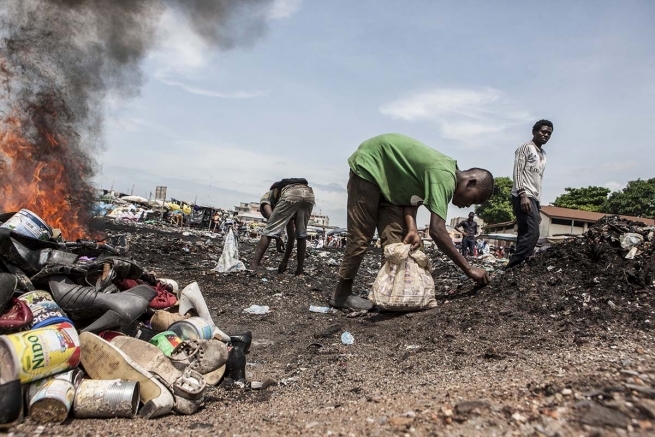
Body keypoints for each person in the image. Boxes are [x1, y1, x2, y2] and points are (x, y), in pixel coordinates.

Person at [331, 133, 494, 310]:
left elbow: (412, 199)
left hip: (392, 188)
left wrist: (412, 228)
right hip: (371, 167)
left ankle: (389, 295)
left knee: (396, 242)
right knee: (361, 236)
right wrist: (468, 269)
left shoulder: (443, 173)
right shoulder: (445, 177)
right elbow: (437, 230)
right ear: (471, 182)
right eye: (474, 199)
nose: (469, 205)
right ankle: (342, 294)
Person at [507, 120, 553, 268]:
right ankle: (514, 266)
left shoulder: (543, 155)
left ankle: (515, 270)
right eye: (543, 131)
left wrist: (538, 207)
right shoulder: (525, 148)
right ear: (534, 132)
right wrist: (522, 195)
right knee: (533, 234)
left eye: (549, 133)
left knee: (525, 233)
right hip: (523, 195)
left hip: (534, 198)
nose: (545, 135)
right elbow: (517, 172)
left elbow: (539, 180)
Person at [251, 178, 315, 275]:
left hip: (292, 193)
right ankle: (299, 271)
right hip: (308, 194)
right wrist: (284, 261)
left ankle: (253, 267)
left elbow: (271, 223)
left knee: (268, 231)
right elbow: (291, 236)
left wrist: (277, 238)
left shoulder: (267, 198)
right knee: (301, 234)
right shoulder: (285, 206)